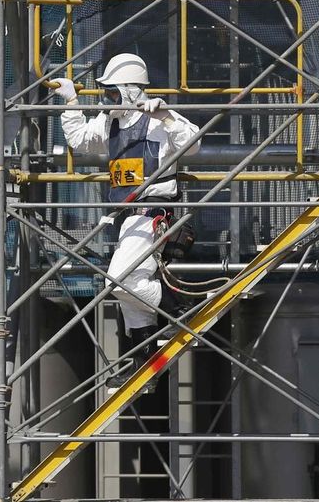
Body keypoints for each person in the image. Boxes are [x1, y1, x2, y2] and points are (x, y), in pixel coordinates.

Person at [54, 53, 200, 388]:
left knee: (118, 280)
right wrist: (72, 101)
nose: (109, 99)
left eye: (113, 93)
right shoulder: (112, 121)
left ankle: (179, 308)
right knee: (126, 291)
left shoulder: (157, 119)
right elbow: (80, 139)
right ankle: (143, 356)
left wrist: (165, 116)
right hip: (129, 216)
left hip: (153, 214)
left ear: (132, 91)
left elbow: (192, 144)